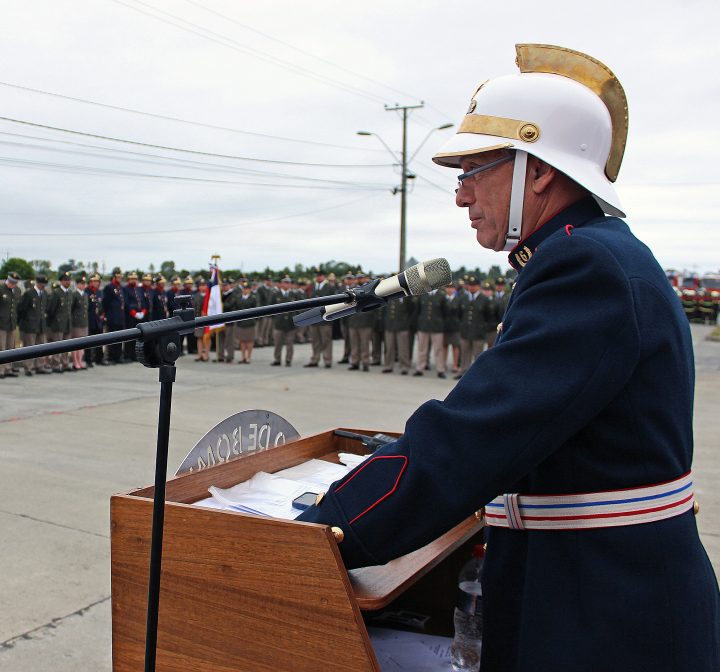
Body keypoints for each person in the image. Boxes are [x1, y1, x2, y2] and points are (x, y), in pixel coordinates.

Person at [298, 44, 719, 670]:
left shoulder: (584, 266)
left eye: (474, 171)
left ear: (538, 170)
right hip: (597, 590)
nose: (463, 196)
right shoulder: (586, 255)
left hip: (603, 612)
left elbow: (471, 438)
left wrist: (325, 528)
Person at [456, 275, 491, 379]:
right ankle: (463, 371)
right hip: (465, 330)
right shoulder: (463, 298)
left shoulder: (485, 300)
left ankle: (477, 374)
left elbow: (489, 316)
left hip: (478, 332)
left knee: (478, 355)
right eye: (470, 285)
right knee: (465, 353)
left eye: (474, 285)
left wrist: (484, 328)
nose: (472, 287)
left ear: (479, 286)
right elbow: (459, 313)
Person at [0, 272, 21, 378]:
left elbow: (17, 306)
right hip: (0, 323)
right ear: (7, 280)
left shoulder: (17, 291)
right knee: (0, 348)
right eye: (11, 282)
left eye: (15, 283)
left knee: (10, 347)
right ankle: (0, 370)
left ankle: (8, 368)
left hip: (11, 323)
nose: (12, 284)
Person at [18, 274, 51, 375]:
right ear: (37, 283)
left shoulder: (44, 293)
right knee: (29, 347)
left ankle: (39, 366)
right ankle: (28, 367)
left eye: (44, 284)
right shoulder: (29, 294)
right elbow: (21, 309)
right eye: (41, 284)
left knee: (41, 346)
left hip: (41, 324)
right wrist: (26, 320)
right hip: (29, 325)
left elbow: (45, 308)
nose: (43, 286)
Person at [414, 285, 448, 378]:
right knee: (422, 349)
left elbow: (445, 312)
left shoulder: (441, 296)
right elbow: (417, 311)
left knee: (438, 349)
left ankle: (440, 370)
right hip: (423, 326)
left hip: (437, 327)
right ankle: (420, 368)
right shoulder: (422, 295)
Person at [305, 269, 334, 368]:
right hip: (314, 318)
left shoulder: (329, 287)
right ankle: (315, 359)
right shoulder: (312, 287)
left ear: (324, 276)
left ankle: (327, 360)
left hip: (325, 319)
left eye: (320, 275)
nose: (318, 277)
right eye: (317, 275)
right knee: (315, 341)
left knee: (326, 341)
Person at [46, 272, 73, 373]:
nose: (68, 282)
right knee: (57, 345)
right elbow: (50, 309)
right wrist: (53, 322)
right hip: (57, 323)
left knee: (66, 345)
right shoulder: (56, 292)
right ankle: (56, 364)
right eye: (66, 280)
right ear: (61, 281)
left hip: (67, 322)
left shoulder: (70, 293)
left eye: (69, 280)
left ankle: (65, 363)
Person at [102, 268, 127, 364]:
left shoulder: (120, 287)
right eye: (118, 276)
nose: (119, 278)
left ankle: (118, 356)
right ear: (113, 277)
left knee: (120, 337)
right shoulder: (109, 287)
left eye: (120, 276)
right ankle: (111, 357)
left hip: (120, 316)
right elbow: (106, 302)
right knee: (112, 338)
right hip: (112, 316)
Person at [270, 276, 297, 367]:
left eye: (288, 283)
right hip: (279, 323)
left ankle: (288, 359)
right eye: (285, 282)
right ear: (281, 284)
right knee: (278, 343)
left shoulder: (294, 294)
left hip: (290, 322)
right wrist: (275, 317)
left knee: (290, 343)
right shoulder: (275, 294)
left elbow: (298, 308)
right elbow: (270, 307)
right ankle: (277, 359)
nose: (286, 284)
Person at [121, 271, 146, 363]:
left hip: (139, 316)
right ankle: (127, 355)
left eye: (135, 279)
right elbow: (126, 303)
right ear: (128, 280)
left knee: (137, 337)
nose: (133, 280)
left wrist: (143, 311)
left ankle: (135, 355)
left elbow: (142, 301)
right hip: (130, 316)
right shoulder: (125, 289)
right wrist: (134, 313)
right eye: (132, 279)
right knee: (129, 336)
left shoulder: (139, 289)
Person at [233, 279, 257, 364]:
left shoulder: (253, 298)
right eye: (244, 288)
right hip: (240, 323)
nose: (245, 290)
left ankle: (248, 357)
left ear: (249, 289)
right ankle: (243, 357)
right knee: (242, 341)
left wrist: (254, 320)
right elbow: (235, 308)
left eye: (247, 288)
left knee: (250, 341)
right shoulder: (238, 297)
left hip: (250, 323)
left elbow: (257, 310)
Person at [84, 274, 106, 367]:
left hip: (99, 320)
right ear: (90, 282)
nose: (97, 283)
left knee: (99, 340)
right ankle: (88, 360)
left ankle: (99, 359)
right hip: (90, 319)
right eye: (95, 281)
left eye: (98, 282)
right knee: (89, 341)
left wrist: (103, 315)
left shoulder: (100, 292)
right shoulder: (86, 292)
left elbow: (102, 305)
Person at [69, 275, 89, 371]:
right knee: (75, 344)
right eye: (81, 283)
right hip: (76, 323)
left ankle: (80, 361)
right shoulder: (74, 295)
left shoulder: (85, 295)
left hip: (83, 322)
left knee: (82, 344)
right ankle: (75, 362)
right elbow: (71, 310)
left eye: (84, 283)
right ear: (77, 284)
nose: (83, 285)